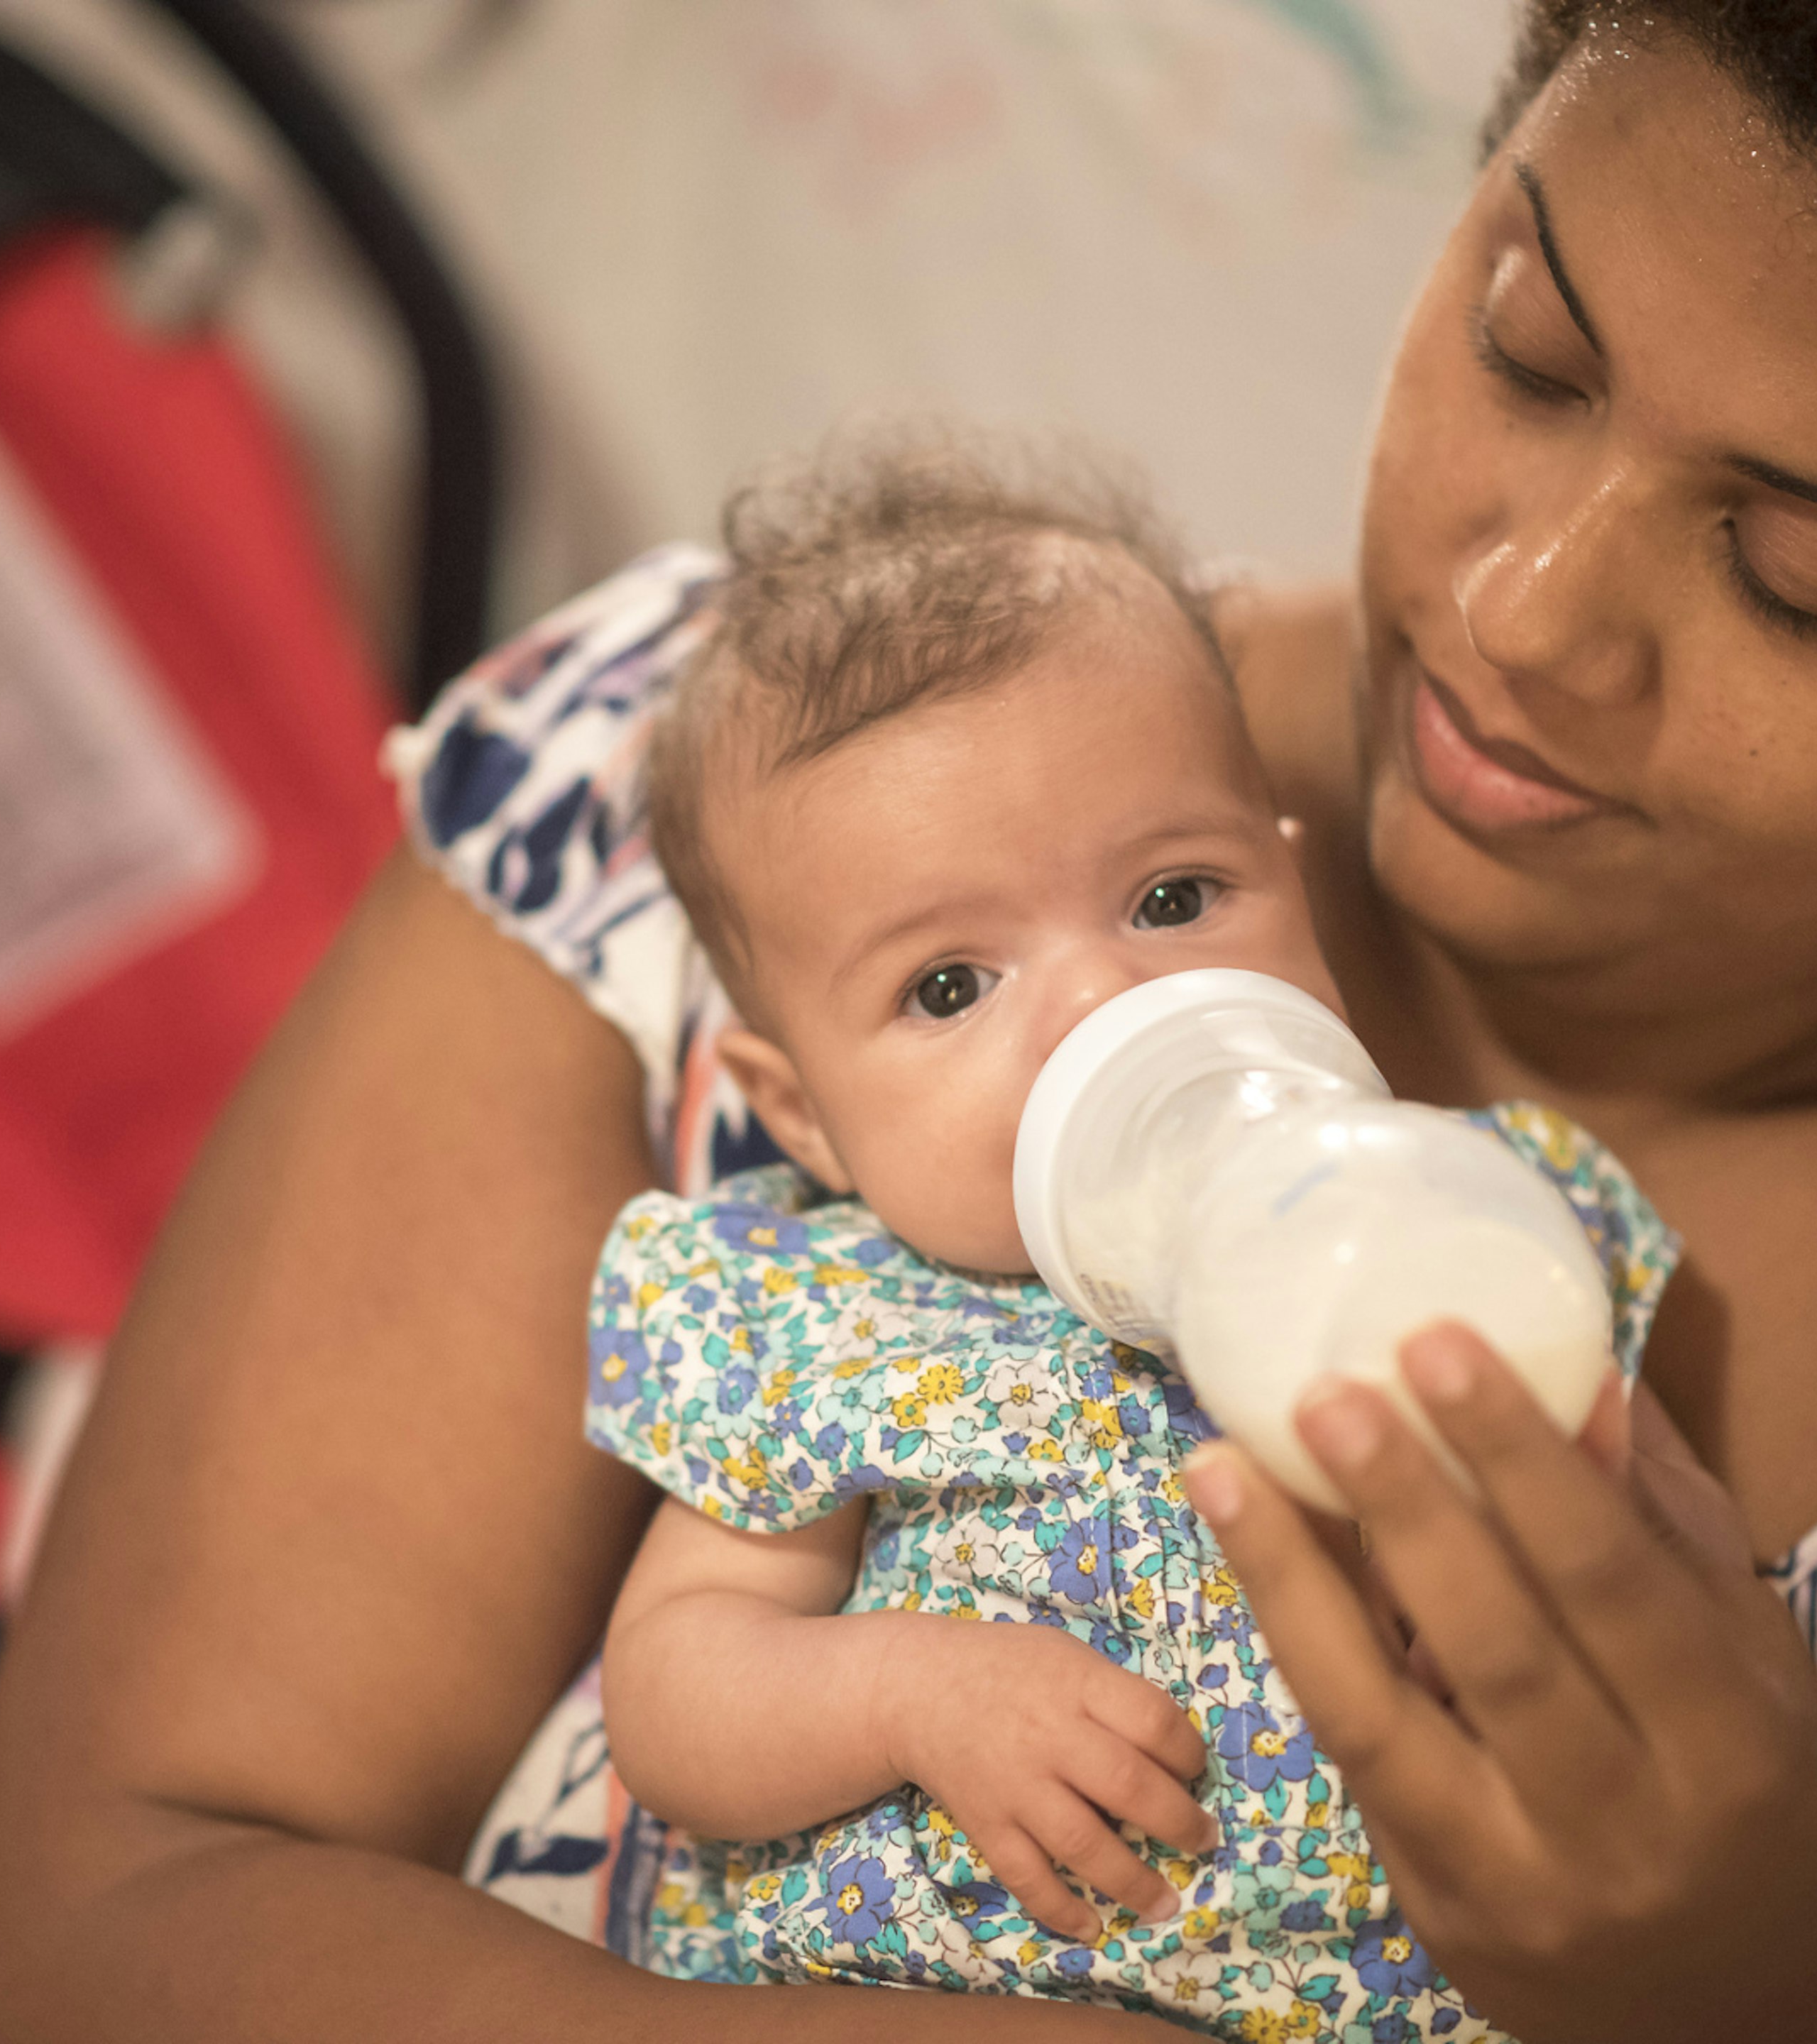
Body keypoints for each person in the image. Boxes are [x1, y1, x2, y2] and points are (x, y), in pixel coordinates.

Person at [0, 4, 1817, 2042]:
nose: (1523, 613)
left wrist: (1769, 1992)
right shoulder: (767, 806)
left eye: (1801, 583)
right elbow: (84, 1945)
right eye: (1527, 348)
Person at [578, 444, 1674, 2035]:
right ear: (800, 1112)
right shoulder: (816, 1313)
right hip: (916, 1988)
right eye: (950, 986)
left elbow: (1630, 1566)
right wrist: (903, 1689)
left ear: (1289, 890)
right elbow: (677, 1687)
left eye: (1173, 898)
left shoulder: (1440, 1214)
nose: (1109, 1002)